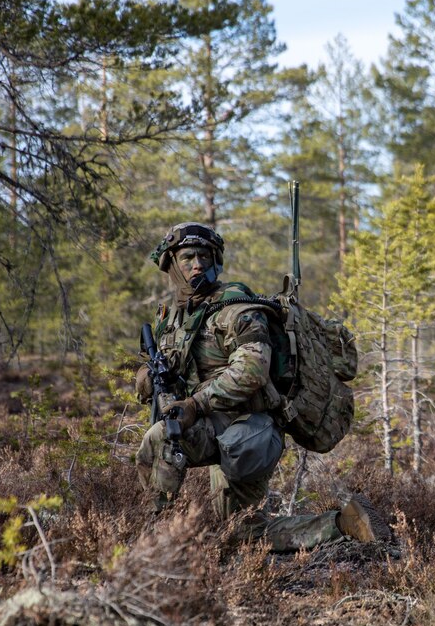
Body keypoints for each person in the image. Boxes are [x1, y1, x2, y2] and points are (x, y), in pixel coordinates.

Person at [134, 222, 389, 551]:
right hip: (216, 427)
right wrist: (147, 378)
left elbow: (252, 370)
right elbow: (145, 380)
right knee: (243, 534)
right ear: (170, 264)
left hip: (249, 432)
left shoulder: (237, 310)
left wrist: (194, 405)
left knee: (161, 437)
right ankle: (345, 524)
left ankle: (154, 549)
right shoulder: (173, 320)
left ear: (216, 262)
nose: (197, 264)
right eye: (187, 257)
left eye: (204, 257)